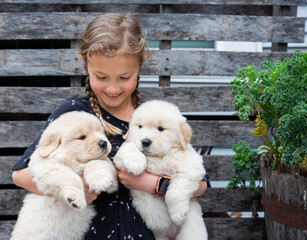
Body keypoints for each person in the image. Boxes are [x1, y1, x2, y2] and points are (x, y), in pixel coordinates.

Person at [12, 13, 208, 239]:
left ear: (140, 64)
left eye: (124, 77)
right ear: (84, 63)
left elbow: (200, 184)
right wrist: (77, 185)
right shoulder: (74, 113)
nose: (113, 88)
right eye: (102, 77)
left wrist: (153, 184)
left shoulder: (153, 119)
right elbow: (21, 174)